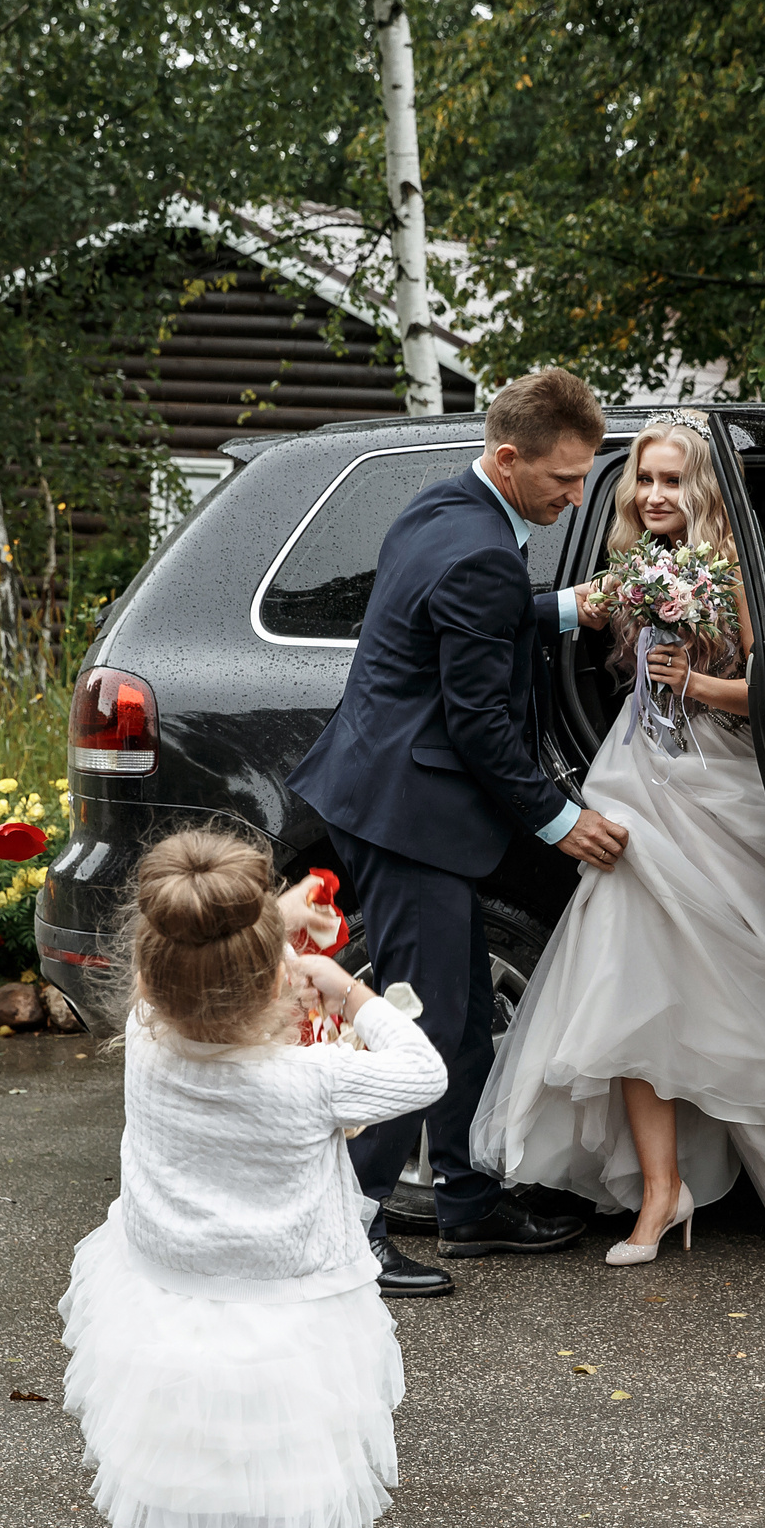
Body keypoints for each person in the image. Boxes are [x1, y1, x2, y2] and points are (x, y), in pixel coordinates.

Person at [472, 412, 765, 1259]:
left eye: (672, 481)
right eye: (645, 480)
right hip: (636, 782)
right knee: (621, 978)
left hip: (716, 786)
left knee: (744, 983)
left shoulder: (733, 572)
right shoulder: (634, 568)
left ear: (700, 489)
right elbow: (562, 627)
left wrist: (694, 680)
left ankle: (731, 1159)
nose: (655, 494)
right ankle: (662, 1193)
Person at [288, 367, 630, 1297]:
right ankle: (350, 1231)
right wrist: (561, 822)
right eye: (563, 479)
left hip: (390, 795)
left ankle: (471, 1202)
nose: (575, 495)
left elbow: (467, 614)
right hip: (410, 815)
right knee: (416, 1020)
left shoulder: (444, 507)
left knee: (464, 1013)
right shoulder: (481, 548)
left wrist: (565, 606)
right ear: (508, 457)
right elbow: (479, 722)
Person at [58, 829, 446, 1528]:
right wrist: (347, 990)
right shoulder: (313, 1080)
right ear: (272, 979)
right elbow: (422, 1071)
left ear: (152, 973)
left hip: (161, 1326)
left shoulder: (146, 1036)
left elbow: (190, 960)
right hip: (286, 1337)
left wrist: (278, 923)